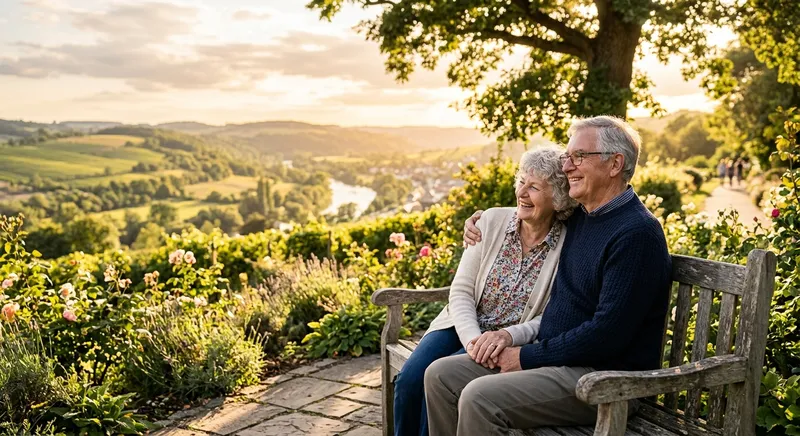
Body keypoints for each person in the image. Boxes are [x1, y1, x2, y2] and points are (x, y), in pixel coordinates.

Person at [424, 116, 672, 435]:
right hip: (559, 361)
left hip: (606, 379)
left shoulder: (637, 234)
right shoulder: (583, 218)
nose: (567, 166)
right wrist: (481, 221)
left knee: (479, 398)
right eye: (568, 157)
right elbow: (531, 209)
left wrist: (525, 357)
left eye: (579, 156)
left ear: (615, 164)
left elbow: (607, 334)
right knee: (440, 376)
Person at [392, 146, 576, 436]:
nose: (522, 193)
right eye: (521, 182)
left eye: (534, 187)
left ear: (558, 198)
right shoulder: (490, 222)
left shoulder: (569, 246)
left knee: (440, 381)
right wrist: (473, 341)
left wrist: (506, 337)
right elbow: (462, 291)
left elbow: (550, 315)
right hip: (461, 326)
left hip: (508, 342)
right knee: (410, 381)